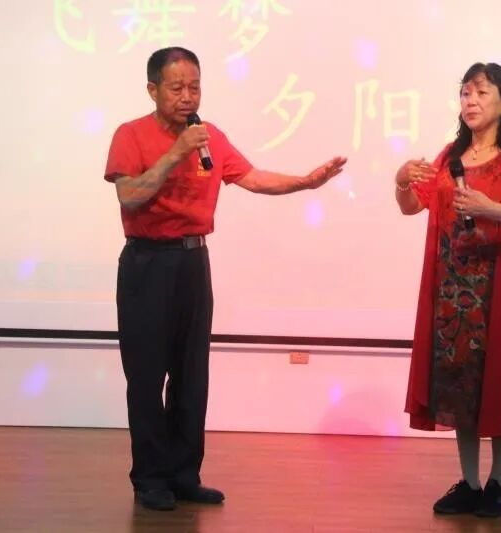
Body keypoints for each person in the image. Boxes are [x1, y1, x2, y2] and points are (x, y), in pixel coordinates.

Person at [104, 46, 347, 511]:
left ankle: (184, 475)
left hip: (193, 264)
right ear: (153, 89)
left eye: (194, 87)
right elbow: (129, 195)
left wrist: (306, 182)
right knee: (147, 375)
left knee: (192, 376)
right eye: (176, 88)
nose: (187, 96)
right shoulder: (130, 134)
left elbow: (253, 177)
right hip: (147, 264)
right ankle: (150, 478)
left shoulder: (209, 135)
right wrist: (175, 153)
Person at [394, 62, 501, 518]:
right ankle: (468, 483)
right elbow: (411, 206)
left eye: (482, 93)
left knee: (500, 381)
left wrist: (496, 209)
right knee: (460, 386)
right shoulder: (450, 155)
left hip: (499, 290)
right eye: (466, 93)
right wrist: (401, 180)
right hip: (452, 290)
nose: (471, 101)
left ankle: (498, 483)